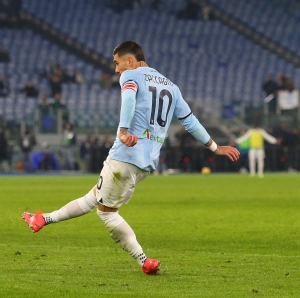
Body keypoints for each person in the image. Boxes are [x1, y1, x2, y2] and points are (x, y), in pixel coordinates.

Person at [22, 41, 240, 275]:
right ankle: (42, 219)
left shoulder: (131, 76)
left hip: (124, 155)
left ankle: (144, 261)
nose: (116, 70)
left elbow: (128, 101)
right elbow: (190, 121)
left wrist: (124, 131)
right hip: (147, 164)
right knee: (96, 196)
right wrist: (214, 147)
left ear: (131, 60)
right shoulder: (171, 87)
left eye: (117, 63)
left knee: (105, 213)